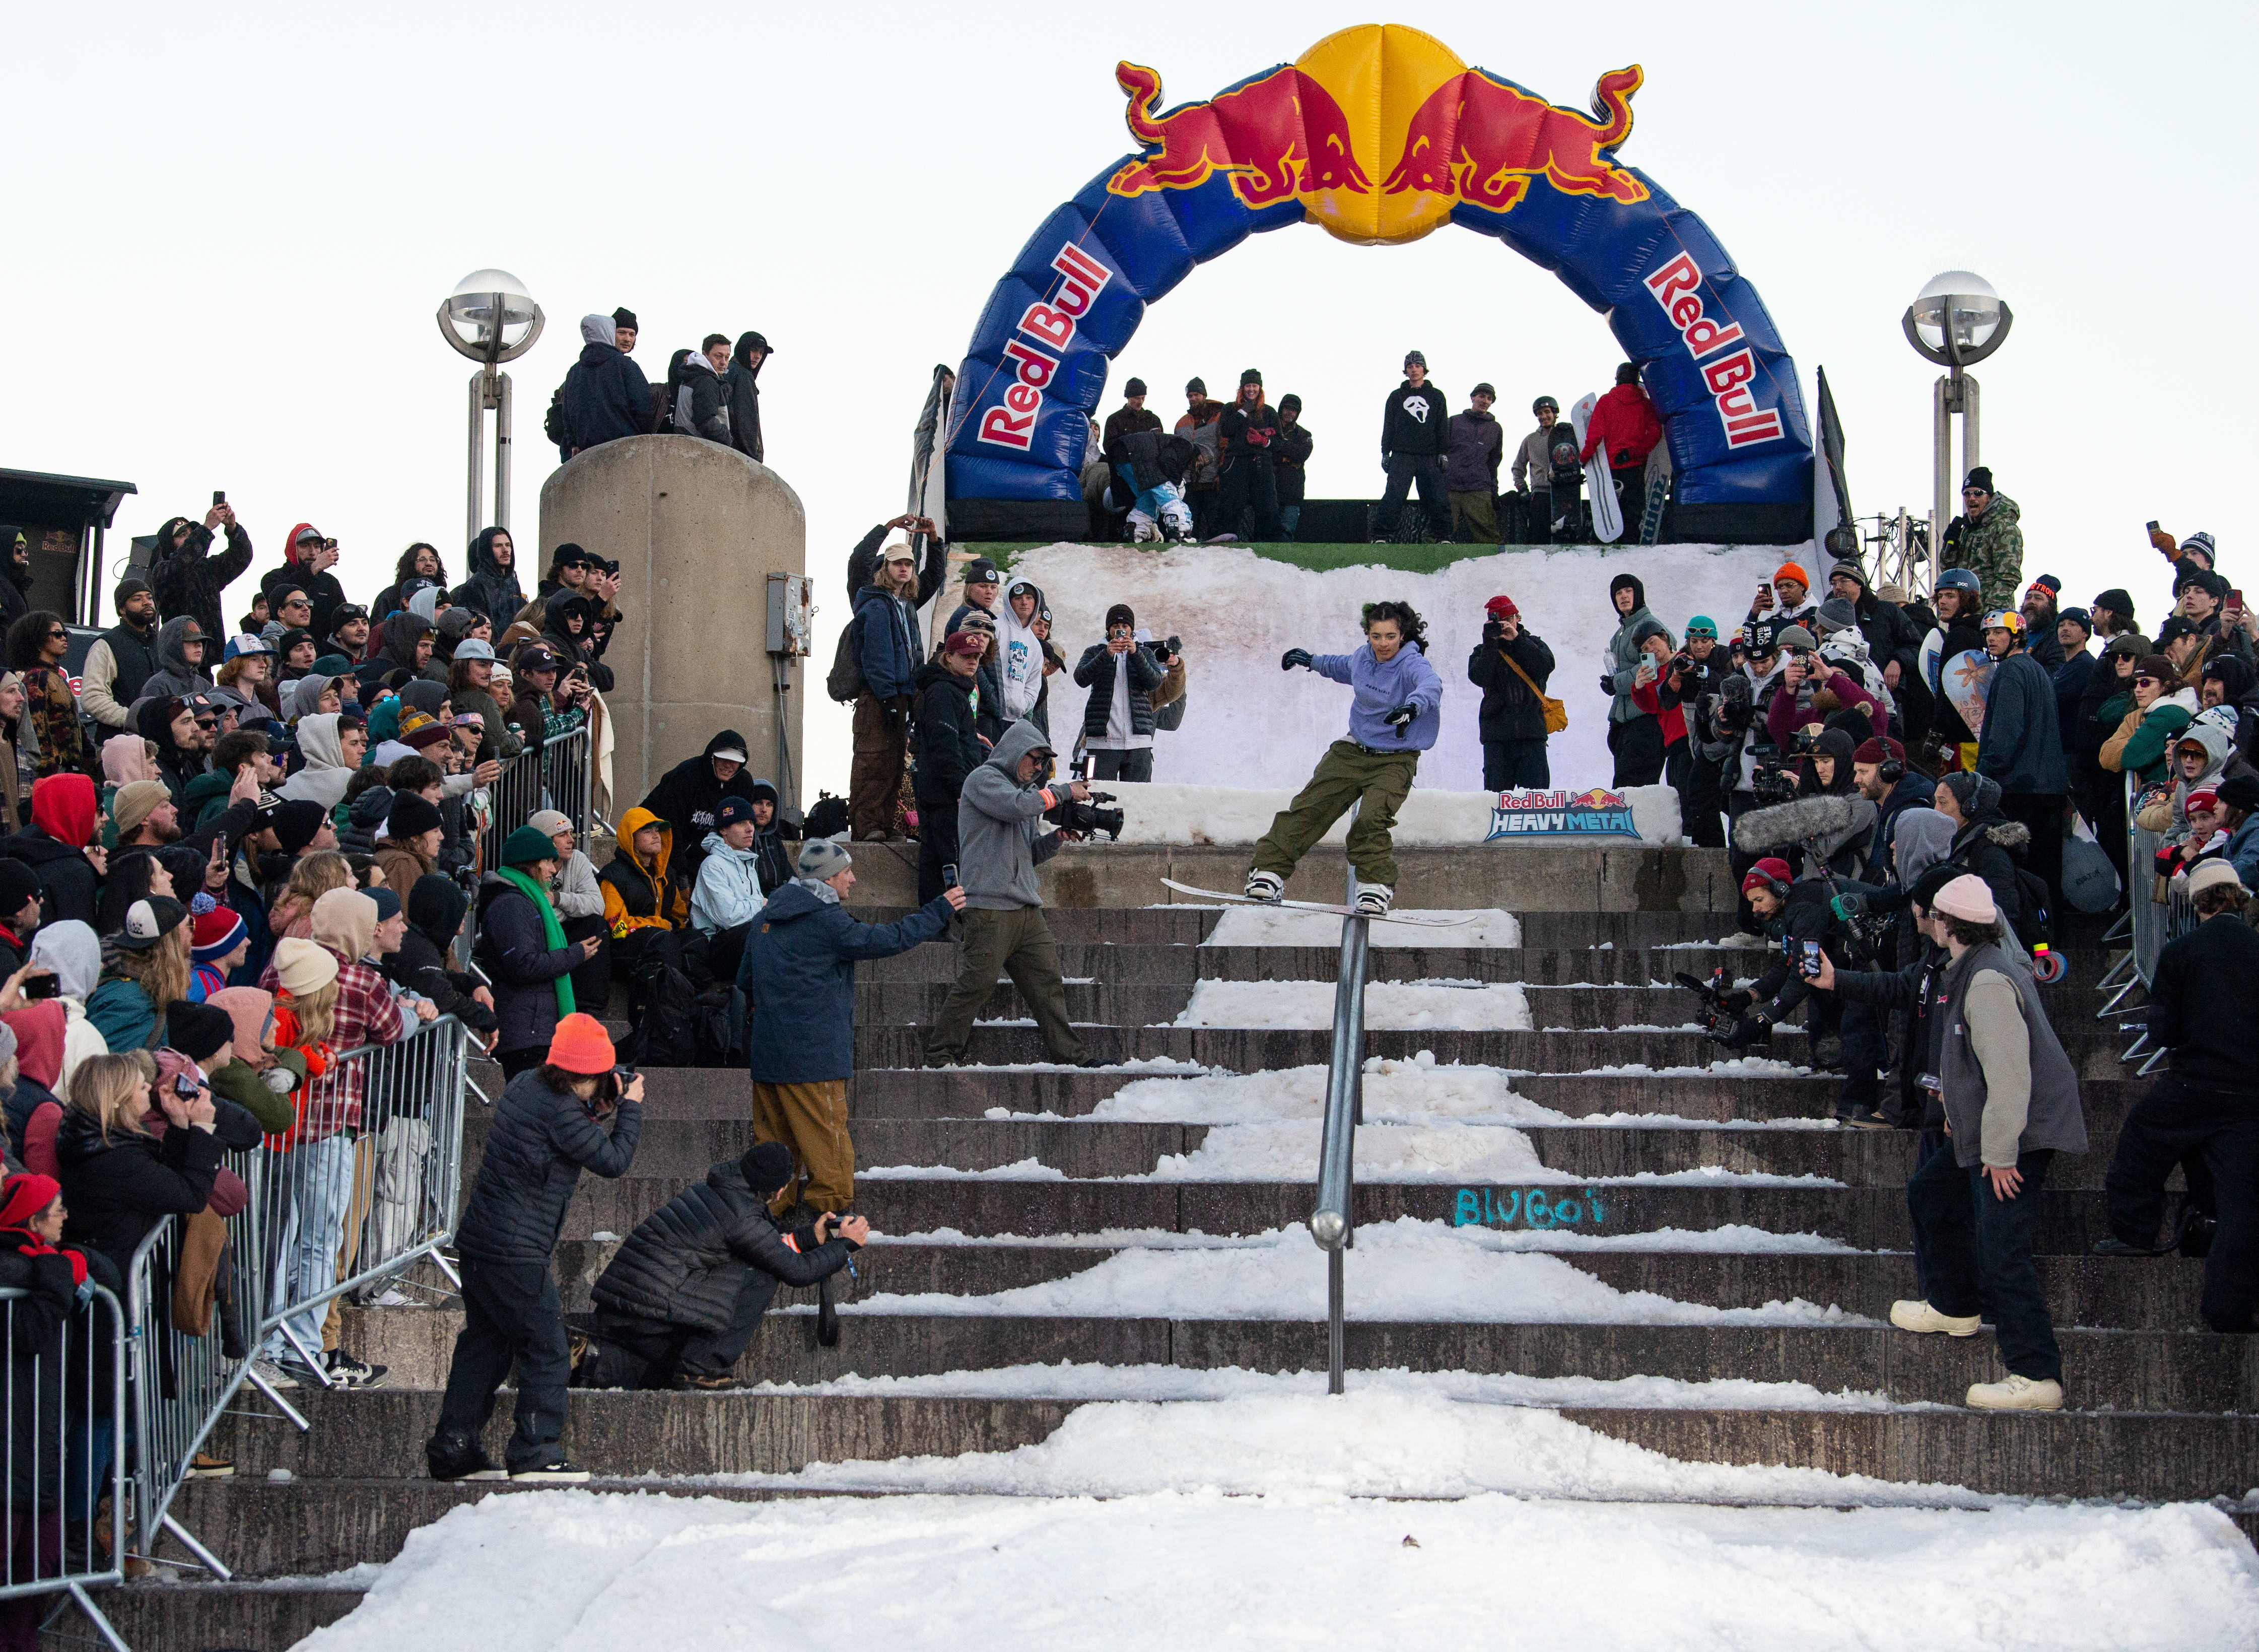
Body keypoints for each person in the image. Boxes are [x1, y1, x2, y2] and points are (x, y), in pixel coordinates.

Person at [1880, 874, 2084, 1409]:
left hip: (2017, 1135)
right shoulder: (1971, 968)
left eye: (1933, 914)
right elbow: (1975, 1062)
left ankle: (2036, 1374)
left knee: (2001, 1251)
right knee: (1931, 1193)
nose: (1927, 921)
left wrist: (1999, 1154)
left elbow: (2011, 1077)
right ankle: (1953, 1305)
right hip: (1993, 1127)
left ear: (1947, 923)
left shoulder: (1988, 981)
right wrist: (1960, 1111)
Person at [427, 1013, 642, 1483]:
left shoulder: (526, 1084)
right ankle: (535, 1451)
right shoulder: (563, 1112)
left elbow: (568, 1132)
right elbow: (612, 1161)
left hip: (480, 1243)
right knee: (548, 1350)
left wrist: (603, 1103)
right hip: (515, 1252)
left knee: (484, 1347)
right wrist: (631, 1108)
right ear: (589, 1074)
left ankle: (453, 1450)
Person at [746, 841, 960, 1206]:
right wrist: (939, 910)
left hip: (767, 1056)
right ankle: (831, 1221)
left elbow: (744, 978)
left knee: (772, 1149)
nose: (854, 879)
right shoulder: (827, 921)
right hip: (814, 1059)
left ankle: (766, 1215)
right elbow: (887, 939)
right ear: (828, 879)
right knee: (828, 1148)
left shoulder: (764, 918)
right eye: (847, 872)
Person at [2095, 858, 2257, 1331]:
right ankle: (2228, 1307)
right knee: (2243, 1203)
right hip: (2249, 1094)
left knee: (2140, 1144)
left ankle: (2135, 1233)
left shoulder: (2182, 952)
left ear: (2197, 901)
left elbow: (2162, 1030)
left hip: (2192, 1083)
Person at [577, 1142, 863, 1392]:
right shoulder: (743, 1217)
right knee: (763, 1275)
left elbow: (764, 1245)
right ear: (779, 1191)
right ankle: (705, 1368)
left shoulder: (714, 1191)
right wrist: (844, 1245)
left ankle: (589, 1359)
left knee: (656, 1372)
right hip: (650, 1313)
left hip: (624, 1310)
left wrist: (809, 1238)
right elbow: (797, 1271)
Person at [1247, 601, 1442, 916]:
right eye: (1376, 636)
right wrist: (1311, 660)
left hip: (1395, 759)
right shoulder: (1363, 658)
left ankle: (1375, 886)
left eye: (1390, 636)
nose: (1383, 644)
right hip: (1352, 751)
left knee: (1372, 818)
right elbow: (1341, 666)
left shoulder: (1412, 664)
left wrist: (1412, 707)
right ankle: (1268, 872)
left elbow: (1430, 686)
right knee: (1310, 808)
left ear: (1403, 635)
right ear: (1368, 635)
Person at [921, 723, 1091, 1065]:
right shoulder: (983, 780)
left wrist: (1056, 839)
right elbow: (1016, 807)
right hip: (989, 909)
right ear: (1015, 751)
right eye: (1034, 758)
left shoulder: (1025, 795)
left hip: (1027, 910)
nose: (1038, 767)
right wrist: (1062, 792)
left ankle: (1073, 1057)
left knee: (1047, 984)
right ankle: (940, 1054)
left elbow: (1030, 853)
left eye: (1043, 762)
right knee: (978, 983)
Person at [476, 827, 599, 1077]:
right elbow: (524, 965)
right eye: (548, 862)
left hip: (534, 1032)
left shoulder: (523, 901)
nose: (553, 870)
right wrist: (575, 954)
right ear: (531, 864)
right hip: (527, 1035)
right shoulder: (511, 905)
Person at [1973, 608, 2068, 910]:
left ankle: (2029, 937)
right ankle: (2051, 935)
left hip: (2020, 789)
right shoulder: (2036, 669)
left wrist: (1982, 777)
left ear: (2017, 636)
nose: (1992, 638)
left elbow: (2006, 734)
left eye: (1999, 632)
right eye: (1988, 633)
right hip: (2048, 787)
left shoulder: (2011, 671)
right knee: (2047, 876)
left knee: (2024, 879)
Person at [849, 544, 922, 843]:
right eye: (897, 564)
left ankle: (885, 823)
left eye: (909, 564)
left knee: (893, 763)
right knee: (873, 762)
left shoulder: (903, 605)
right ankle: (867, 826)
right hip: (879, 696)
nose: (903, 568)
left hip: (899, 695)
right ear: (885, 569)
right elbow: (877, 658)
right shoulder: (877, 605)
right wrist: (888, 698)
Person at [912, 632, 986, 907]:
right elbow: (944, 744)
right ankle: (942, 921)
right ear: (949, 657)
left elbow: (947, 736)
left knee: (937, 862)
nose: (973, 661)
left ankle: (935, 922)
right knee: (947, 863)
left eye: (976, 656)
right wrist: (960, 788)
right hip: (944, 794)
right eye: (966, 656)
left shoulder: (951, 690)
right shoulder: (944, 692)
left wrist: (972, 738)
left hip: (939, 791)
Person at [638, 731, 757, 885]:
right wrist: (681, 878)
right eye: (724, 758)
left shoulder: (743, 783)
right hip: (666, 850)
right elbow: (671, 827)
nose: (729, 765)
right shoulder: (686, 776)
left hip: (708, 858)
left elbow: (739, 828)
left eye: (735, 761)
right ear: (712, 757)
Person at [1467, 595, 1556, 790]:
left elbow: (1544, 667)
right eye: (1499, 621)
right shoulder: (1484, 650)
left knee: (1535, 801)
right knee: (1496, 802)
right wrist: (1491, 644)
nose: (1505, 625)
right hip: (1497, 739)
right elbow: (1479, 677)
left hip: (1531, 736)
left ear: (1517, 617)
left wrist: (1517, 640)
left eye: (1508, 619)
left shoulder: (1534, 644)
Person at [1075, 605, 1166, 784]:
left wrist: (1136, 654)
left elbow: (1155, 682)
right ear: (1108, 629)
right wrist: (1106, 655)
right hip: (1102, 742)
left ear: (1132, 629)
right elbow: (1081, 678)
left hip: (1139, 743)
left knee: (1138, 796)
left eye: (1125, 627)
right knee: (1097, 794)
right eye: (1116, 626)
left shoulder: (1145, 653)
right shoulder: (1094, 651)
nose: (1121, 631)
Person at [598, 807, 692, 981]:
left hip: (662, 939)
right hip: (624, 947)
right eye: (648, 832)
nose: (656, 836)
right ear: (631, 838)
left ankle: (685, 990)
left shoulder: (665, 872)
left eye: (657, 830)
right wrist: (660, 925)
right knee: (664, 941)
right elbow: (616, 928)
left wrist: (674, 926)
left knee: (696, 941)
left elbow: (679, 915)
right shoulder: (613, 876)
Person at [148, 504, 255, 648]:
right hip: (181, 651)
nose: (190, 537)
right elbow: (181, 564)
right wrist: (207, 528)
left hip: (211, 652)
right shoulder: (162, 570)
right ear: (170, 544)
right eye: (183, 535)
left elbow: (241, 557)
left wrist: (232, 528)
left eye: (191, 533)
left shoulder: (207, 568)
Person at [3, 776, 101, 931]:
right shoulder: (73, 871)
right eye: (97, 810)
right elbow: (79, 939)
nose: (105, 817)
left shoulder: (15, 852)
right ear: (77, 812)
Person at [1373, 351, 1449, 542]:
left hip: (1429, 454)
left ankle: (1443, 537)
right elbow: (1388, 426)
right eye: (1410, 366)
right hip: (1402, 454)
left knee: (1435, 498)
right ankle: (1382, 536)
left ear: (1424, 369)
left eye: (1418, 366)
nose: (1414, 370)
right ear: (1406, 371)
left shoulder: (1437, 396)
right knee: (1394, 496)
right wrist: (1385, 452)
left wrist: (1443, 453)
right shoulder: (1396, 397)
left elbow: (1442, 426)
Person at [688, 795, 765, 984]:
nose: (750, 828)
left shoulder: (748, 863)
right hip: (717, 950)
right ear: (723, 830)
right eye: (741, 823)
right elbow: (728, 918)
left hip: (743, 941)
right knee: (761, 930)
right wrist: (761, 903)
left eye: (751, 822)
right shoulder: (712, 866)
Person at [1580, 363, 1663, 532]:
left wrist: (1584, 458)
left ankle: (1610, 545)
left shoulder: (1606, 401)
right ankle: (1630, 544)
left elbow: (1595, 436)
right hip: (1635, 468)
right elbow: (1655, 434)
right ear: (1637, 379)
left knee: (1610, 515)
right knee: (1632, 515)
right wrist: (1635, 452)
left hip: (1610, 469)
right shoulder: (1646, 404)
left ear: (1617, 378)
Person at [1601, 574, 1665, 788]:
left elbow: (1655, 664)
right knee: (1624, 791)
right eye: (1618, 593)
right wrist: (1611, 685)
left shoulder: (1651, 625)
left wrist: (1617, 683)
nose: (1624, 597)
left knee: (1633, 791)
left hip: (1647, 719)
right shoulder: (1619, 634)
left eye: (1629, 591)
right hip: (1625, 722)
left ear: (1638, 594)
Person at [561, 314, 654, 456]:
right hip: (625, 451)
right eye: (621, 332)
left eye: (632, 334)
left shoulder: (574, 372)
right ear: (610, 333)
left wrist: (574, 443)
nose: (627, 339)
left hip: (587, 453)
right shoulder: (626, 366)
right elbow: (644, 408)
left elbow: (567, 415)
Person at [80, 579, 162, 734]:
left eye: (149, 597)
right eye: (137, 599)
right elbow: (93, 698)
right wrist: (135, 720)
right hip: (119, 740)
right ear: (122, 610)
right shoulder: (106, 644)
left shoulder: (161, 643)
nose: (147, 602)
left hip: (160, 742)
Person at [1940, 467, 2024, 610]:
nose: (1972, 498)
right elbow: (1949, 573)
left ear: (1989, 497)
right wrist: (1950, 547)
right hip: (1964, 612)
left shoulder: (2004, 528)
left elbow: (2008, 577)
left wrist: (1989, 612)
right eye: (1967, 494)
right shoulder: (1966, 529)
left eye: (1978, 493)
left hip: (1991, 615)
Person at [1215, 369, 1281, 542]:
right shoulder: (1230, 409)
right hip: (1237, 463)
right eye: (1248, 386)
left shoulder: (1269, 412)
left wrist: (1265, 441)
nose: (1251, 389)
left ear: (1260, 388)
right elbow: (1226, 431)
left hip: (1262, 464)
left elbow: (1279, 443)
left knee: (1267, 505)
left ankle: (1268, 544)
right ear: (1242, 388)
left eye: (1255, 386)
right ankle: (1226, 540)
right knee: (1232, 504)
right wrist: (1243, 412)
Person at [261, 525, 350, 646]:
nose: (312, 552)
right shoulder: (273, 577)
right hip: (288, 648)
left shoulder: (330, 582)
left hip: (325, 651)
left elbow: (343, 619)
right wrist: (313, 569)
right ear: (292, 549)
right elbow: (278, 594)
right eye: (305, 546)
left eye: (317, 546)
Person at [1443, 383, 1505, 544]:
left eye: (1489, 398)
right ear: (1473, 398)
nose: (1485, 401)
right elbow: (1440, 452)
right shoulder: (1453, 422)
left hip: (1479, 487)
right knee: (1440, 533)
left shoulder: (1495, 429)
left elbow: (1494, 462)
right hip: (1450, 485)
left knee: (1489, 535)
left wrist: (1494, 490)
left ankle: (1494, 562)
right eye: (1482, 396)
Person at [1174, 379, 1224, 540]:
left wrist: (1222, 473)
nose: (1193, 399)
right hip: (1189, 484)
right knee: (1189, 527)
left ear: (1204, 396)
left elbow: (1225, 447)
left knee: (1214, 528)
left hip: (1212, 483)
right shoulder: (1181, 423)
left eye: (1196, 395)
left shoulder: (1218, 417)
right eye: (1190, 396)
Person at [452, 526, 525, 627]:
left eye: (508, 545)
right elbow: (478, 628)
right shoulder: (475, 585)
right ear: (487, 551)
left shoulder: (513, 582)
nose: (505, 550)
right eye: (498, 546)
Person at [724, 331, 770, 464]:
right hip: (738, 453)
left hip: (724, 445)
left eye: (761, 353)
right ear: (743, 349)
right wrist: (753, 457)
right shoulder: (743, 376)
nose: (758, 356)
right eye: (754, 350)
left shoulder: (727, 370)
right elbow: (746, 420)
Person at [1273, 394, 1313, 541]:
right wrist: (1289, 454)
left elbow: (1302, 454)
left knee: (1286, 534)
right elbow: (1266, 454)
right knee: (1266, 533)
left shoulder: (1304, 434)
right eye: (1287, 409)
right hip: (1269, 492)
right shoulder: (1270, 430)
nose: (1290, 413)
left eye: (1294, 410)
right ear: (1281, 409)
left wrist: (1279, 446)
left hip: (1293, 493)